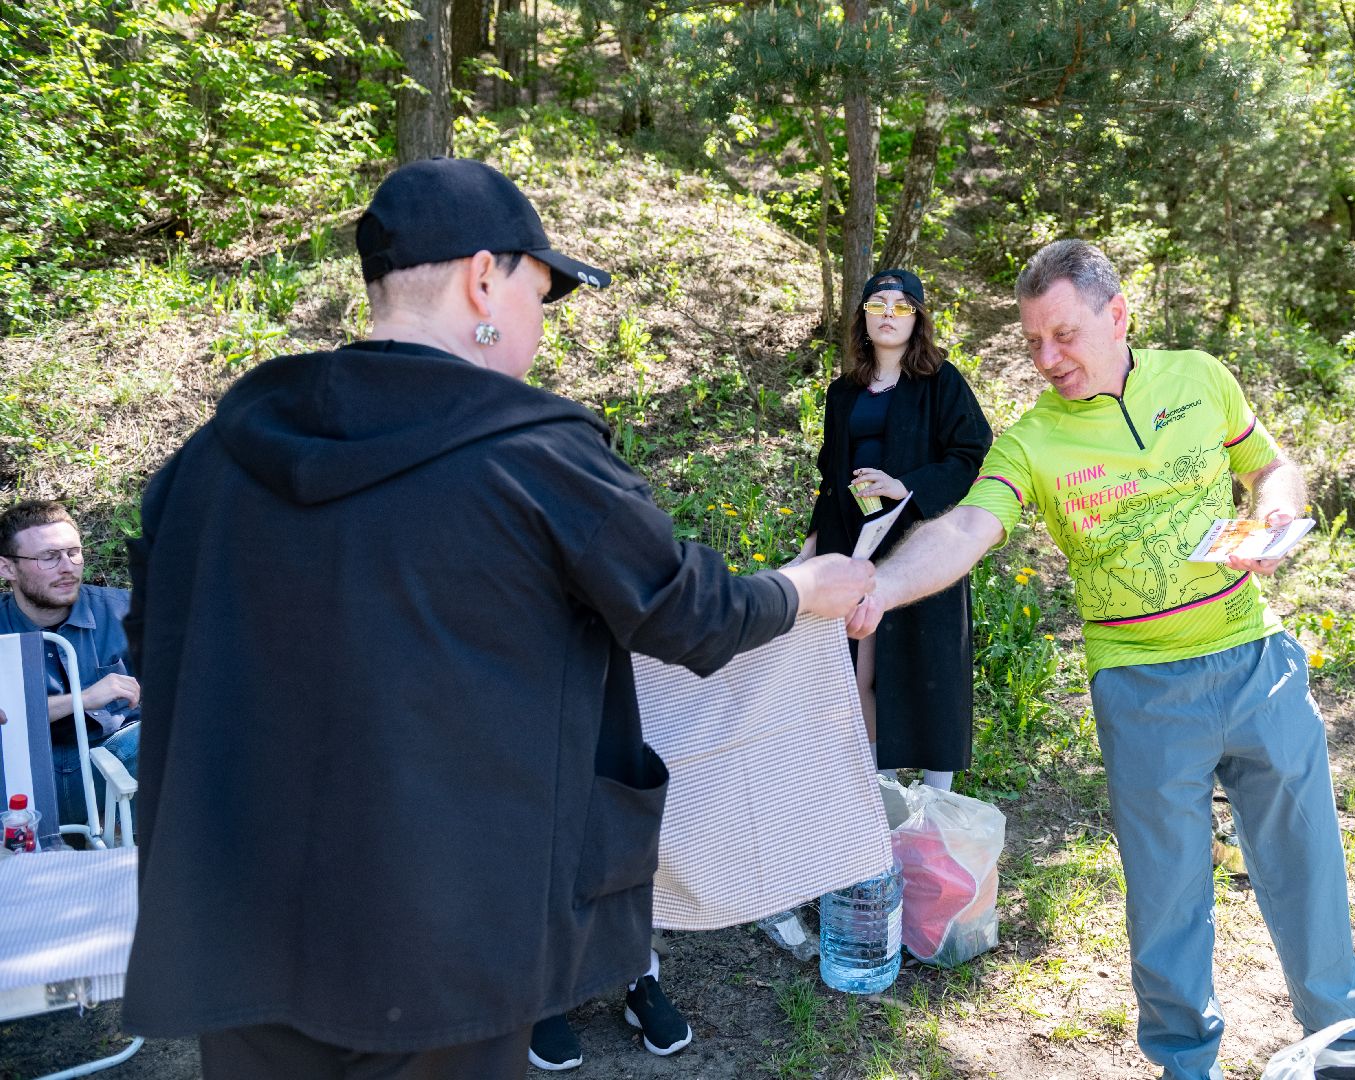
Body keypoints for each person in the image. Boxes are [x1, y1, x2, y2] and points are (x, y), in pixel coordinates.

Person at [120, 157, 874, 1080]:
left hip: (240, 922)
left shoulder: (207, 465)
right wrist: (806, 588)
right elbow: (686, 612)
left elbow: (157, 654)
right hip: (449, 932)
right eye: (541, 294)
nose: (538, 329)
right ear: (487, 276)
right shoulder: (533, 457)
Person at [847, 240, 1355, 1080]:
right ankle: (1185, 1065)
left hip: (1256, 662)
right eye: (1032, 343)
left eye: (1062, 336)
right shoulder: (1032, 442)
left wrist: (1275, 514)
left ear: (1118, 313)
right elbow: (965, 529)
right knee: (1168, 903)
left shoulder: (1200, 377)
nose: (1046, 360)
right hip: (1139, 688)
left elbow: (1271, 465)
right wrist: (880, 583)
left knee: (1309, 871)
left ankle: (1350, 1053)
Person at [797, 269, 990, 790]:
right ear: (861, 316)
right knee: (859, 660)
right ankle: (874, 791)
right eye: (877, 303)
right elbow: (829, 475)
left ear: (918, 319)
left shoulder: (941, 382)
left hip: (921, 540)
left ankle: (937, 800)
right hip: (852, 542)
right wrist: (812, 547)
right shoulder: (844, 392)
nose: (888, 313)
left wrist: (905, 486)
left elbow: (971, 454)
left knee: (929, 663)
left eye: (902, 306)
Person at [0, 500, 140, 829]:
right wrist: (84, 698)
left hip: (107, 755)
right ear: (7, 568)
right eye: (49, 557)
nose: (68, 567)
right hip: (18, 771)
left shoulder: (124, 610)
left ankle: (131, 848)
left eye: (73, 552)